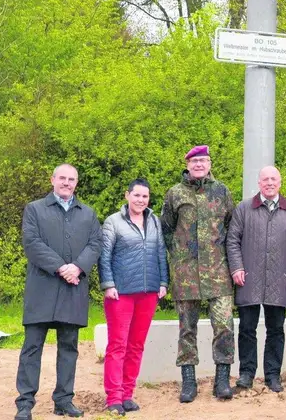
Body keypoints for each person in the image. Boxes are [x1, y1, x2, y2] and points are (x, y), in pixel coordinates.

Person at [16, 164, 101, 420]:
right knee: (32, 347)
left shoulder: (88, 214)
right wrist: (61, 267)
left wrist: (78, 267)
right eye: (62, 178)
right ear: (52, 180)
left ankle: (63, 400)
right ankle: (25, 403)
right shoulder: (34, 209)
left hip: (73, 288)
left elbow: (95, 244)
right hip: (41, 289)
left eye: (71, 179)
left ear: (76, 183)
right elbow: (31, 243)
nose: (66, 182)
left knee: (69, 347)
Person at [160, 145, 237, 402]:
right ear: (187, 165)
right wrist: (178, 258)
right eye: (195, 161)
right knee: (187, 329)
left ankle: (222, 380)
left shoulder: (222, 191)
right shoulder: (175, 193)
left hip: (218, 272)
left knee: (224, 326)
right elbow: (166, 230)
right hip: (186, 275)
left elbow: (231, 228)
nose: (199, 165)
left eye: (203, 160)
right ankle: (189, 381)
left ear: (210, 163)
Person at [226, 166, 286, 393]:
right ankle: (246, 374)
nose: (270, 183)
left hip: (280, 279)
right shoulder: (244, 208)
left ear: (280, 182)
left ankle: (272, 375)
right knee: (246, 328)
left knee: (276, 329)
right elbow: (232, 240)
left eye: (273, 179)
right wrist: (236, 268)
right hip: (248, 278)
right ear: (259, 183)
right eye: (265, 179)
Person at [98, 178, 170, 416]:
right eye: (136, 195)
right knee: (118, 345)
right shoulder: (113, 222)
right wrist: (108, 284)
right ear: (127, 195)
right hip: (121, 293)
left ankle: (127, 394)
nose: (140, 200)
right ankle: (114, 397)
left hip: (148, 293)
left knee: (136, 345)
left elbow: (160, 252)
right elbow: (104, 255)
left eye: (145, 196)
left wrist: (163, 282)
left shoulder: (154, 221)